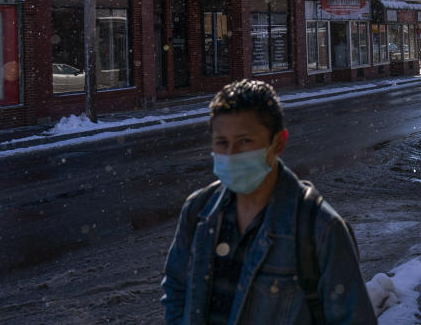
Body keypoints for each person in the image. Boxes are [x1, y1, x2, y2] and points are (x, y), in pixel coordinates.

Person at [161, 79, 376, 324]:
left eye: (245, 141)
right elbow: (176, 290)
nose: (231, 155)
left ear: (278, 143)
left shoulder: (319, 229)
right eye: (222, 142)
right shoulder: (199, 211)